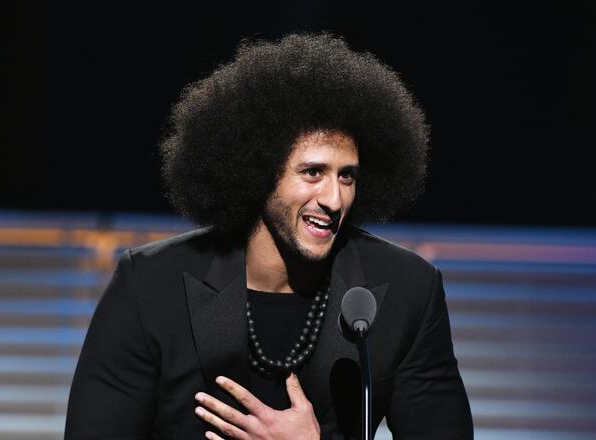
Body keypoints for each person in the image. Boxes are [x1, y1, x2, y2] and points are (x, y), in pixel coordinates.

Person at [65, 33, 472, 439]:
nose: (334, 199)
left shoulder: (408, 291)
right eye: (312, 172)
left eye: (347, 176)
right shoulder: (150, 286)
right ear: (258, 171)